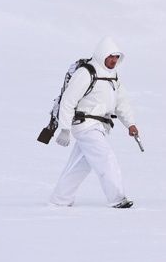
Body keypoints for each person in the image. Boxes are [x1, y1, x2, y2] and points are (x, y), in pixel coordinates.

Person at [49, 37, 138, 208]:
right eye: (111, 56)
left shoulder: (113, 76)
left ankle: (60, 200)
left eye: (117, 57)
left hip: (100, 127)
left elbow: (121, 103)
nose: (114, 60)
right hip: (85, 125)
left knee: (80, 165)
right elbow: (68, 100)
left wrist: (130, 124)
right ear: (101, 54)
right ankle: (118, 199)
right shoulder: (86, 72)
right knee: (106, 158)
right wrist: (65, 129)